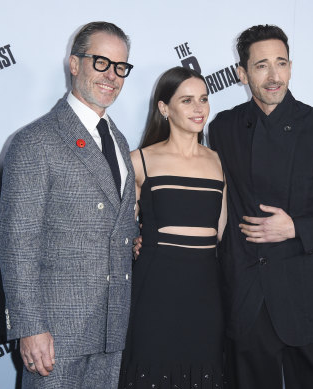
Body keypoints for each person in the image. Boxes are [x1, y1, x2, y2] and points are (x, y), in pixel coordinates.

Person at [208, 25, 313, 389]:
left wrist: (297, 228)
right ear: (242, 73)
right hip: (248, 302)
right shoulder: (223, 127)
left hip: (311, 301)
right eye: (261, 65)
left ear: (290, 67)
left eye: (281, 63)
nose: (273, 76)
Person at [0, 21, 138, 388]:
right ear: (74, 64)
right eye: (101, 62)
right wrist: (30, 327)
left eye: (120, 67)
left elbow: (112, 220)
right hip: (55, 334)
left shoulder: (120, 142)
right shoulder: (35, 141)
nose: (112, 76)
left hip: (111, 326)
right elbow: (17, 242)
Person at [119, 66, 227, 389]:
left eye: (204, 99)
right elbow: (118, 231)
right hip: (155, 292)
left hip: (206, 293)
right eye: (187, 100)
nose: (199, 108)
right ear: (164, 108)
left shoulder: (218, 161)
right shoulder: (139, 160)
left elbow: (220, 233)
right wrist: (133, 242)